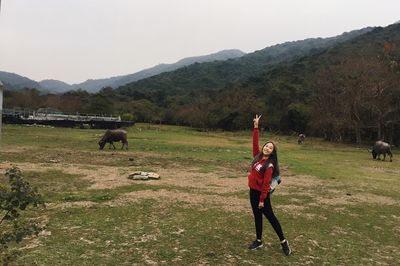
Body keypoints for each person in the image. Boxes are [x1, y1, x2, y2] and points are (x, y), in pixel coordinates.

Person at [247, 114, 291, 256]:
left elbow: (266, 184)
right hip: (252, 192)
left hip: (261, 195)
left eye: (270, 148)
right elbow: (255, 144)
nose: (267, 148)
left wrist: (261, 200)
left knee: (271, 217)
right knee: (257, 216)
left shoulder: (269, 165)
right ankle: (259, 240)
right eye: (266, 145)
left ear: (272, 152)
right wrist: (256, 127)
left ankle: (284, 242)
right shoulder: (258, 157)